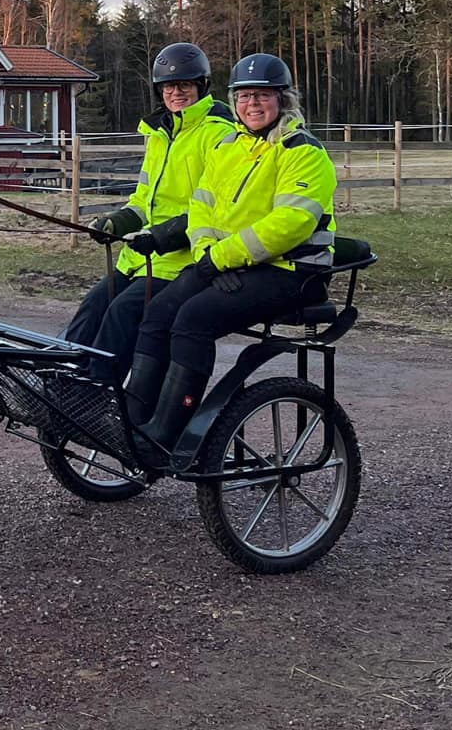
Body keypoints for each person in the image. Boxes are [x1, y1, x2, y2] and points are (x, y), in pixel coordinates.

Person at [123, 52, 337, 453]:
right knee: (158, 311)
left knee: (193, 319)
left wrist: (221, 257)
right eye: (244, 96)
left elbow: (290, 224)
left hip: (290, 270)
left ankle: (166, 435)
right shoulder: (229, 147)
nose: (252, 104)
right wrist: (207, 251)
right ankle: (133, 421)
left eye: (262, 95)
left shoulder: (303, 151)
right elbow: (201, 206)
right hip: (226, 261)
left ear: (282, 99)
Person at [67, 42, 234, 377]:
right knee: (94, 305)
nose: (176, 93)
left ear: (201, 86)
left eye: (184, 85)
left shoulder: (220, 135)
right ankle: (65, 380)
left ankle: (99, 392)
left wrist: (161, 236)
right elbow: (145, 199)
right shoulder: (160, 134)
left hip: (182, 259)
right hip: (141, 256)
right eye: (168, 86)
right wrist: (116, 222)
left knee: (122, 313)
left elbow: (218, 209)